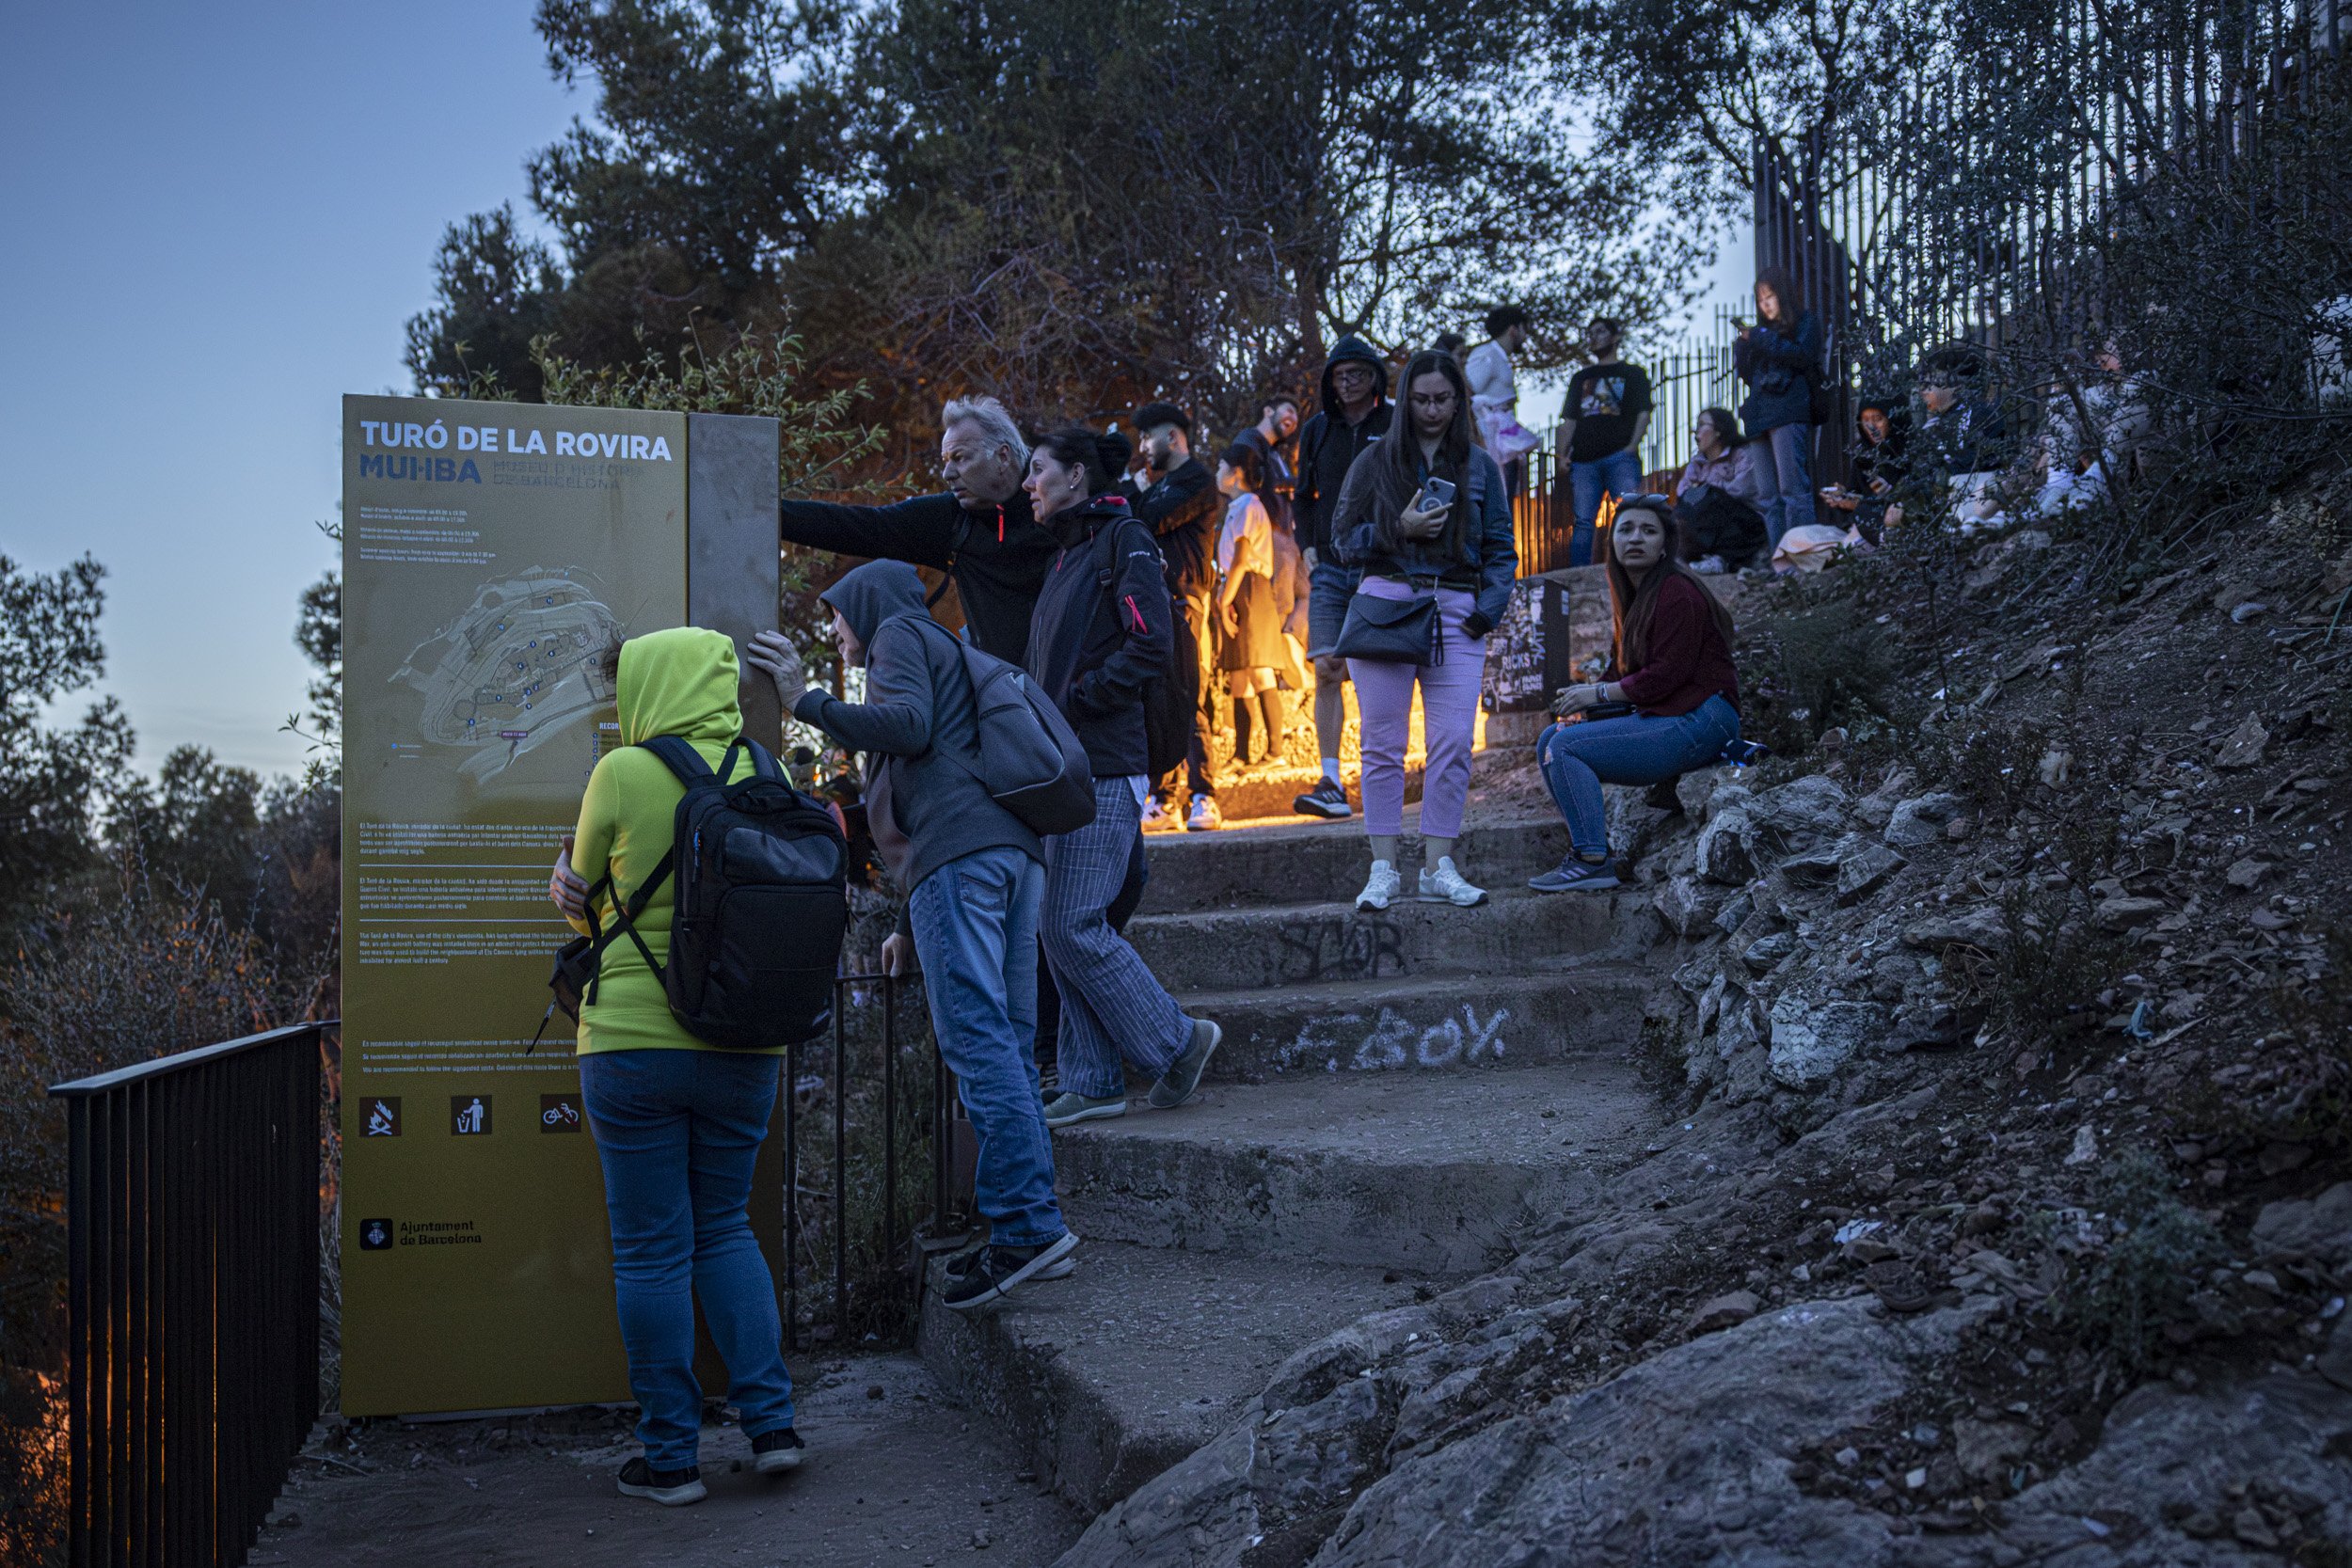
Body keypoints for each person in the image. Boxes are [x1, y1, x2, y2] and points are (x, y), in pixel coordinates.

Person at [743, 564, 1077, 1314]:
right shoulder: (936, 644)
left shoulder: (897, 633)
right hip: (1011, 859)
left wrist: (806, 700)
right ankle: (1032, 1223)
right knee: (1010, 1041)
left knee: (978, 1040)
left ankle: (1025, 1227)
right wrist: (904, 920)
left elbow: (910, 728)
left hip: (963, 861)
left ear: (865, 607)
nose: (833, 632)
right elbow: (937, 766)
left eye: (836, 617)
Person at [545, 627, 805, 1506]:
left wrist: (561, 885)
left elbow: (585, 909)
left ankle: (671, 1458)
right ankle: (772, 1425)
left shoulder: (619, 774)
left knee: (652, 1249)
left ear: (648, 687)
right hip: (744, 1044)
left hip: (631, 1047)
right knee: (726, 1228)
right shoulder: (766, 773)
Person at [1022, 427, 1225, 1128]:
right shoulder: (1068, 555)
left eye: (1037, 472)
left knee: (1071, 922)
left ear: (1077, 476)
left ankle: (1178, 1040)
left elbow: (1151, 642)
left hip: (1105, 761)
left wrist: (1079, 700)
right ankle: (1092, 1078)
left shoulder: (1124, 539)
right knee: (1060, 923)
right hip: (1067, 765)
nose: (1028, 485)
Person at [1327, 350, 1517, 911]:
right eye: (1422, 399)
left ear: (1458, 402)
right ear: (1405, 400)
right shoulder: (1373, 461)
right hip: (1386, 604)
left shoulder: (1480, 466)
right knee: (1382, 745)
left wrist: (1488, 610)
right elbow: (1342, 540)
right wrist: (1398, 528)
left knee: (1453, 743)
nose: (1432, 409)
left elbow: (1502, 549)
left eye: (1443, 399)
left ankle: (1438, 867)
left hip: (1459, 610)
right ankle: (1383, 867)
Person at [1533, 499, 1741, 893]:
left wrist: (1595, 693)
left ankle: (1592, 861)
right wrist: (1586, 713)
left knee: (1565, 748)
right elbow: (1623, 672)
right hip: (1672, 713)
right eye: (1625, 530)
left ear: (1665, 545)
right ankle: (1589, 851)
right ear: (1611, 542)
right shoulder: (1634, 597)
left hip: (1704, 717)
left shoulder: (1677, 592)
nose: (1635, 538)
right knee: (1552, 738)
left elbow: (1667, 675)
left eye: (1648, 531)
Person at [775, 395, 1053, 666]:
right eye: (945, 460)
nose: (948, 474)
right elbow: (861, 526)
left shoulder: (1060, 499)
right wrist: (767, 515)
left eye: (960, 457)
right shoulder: (952, 520)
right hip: (1012, 700)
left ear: (1003, 456)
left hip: (1077, 698)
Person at [1291, 338, 1394, 821]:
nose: (1347, 382)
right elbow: (1303, 495)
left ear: (1374, 376)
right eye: (1339, 374)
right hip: (1329, 566)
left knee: (1379, 670)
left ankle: (1379, 777)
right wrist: (1307, 545)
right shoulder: (1317, 430)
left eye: (1356, 372)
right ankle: (1330, 780)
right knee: (1328, 668)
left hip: (1382, 563)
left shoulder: (1395, 423)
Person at [1121, 403, 1225, 832]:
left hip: (1186, 602)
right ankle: (1163, 799)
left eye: (1147, 437)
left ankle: (1204, 796)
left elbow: (1147, 518)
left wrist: (1135, 490)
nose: (1143, 447)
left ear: (1172, 437)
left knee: (1192, 696)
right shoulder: (1162, 485)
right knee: (1160, 698)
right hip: (1157, 602)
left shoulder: (1196, 480)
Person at [1733, 267, 1825, 546]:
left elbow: (1802, 356)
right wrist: (1743, 348)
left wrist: (1759, 338)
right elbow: (1748, 376)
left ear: (1782, 295)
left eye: (1770, 296)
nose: (1765, 304)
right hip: (1759, 415)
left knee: (1792, 490)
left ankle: (1801, 555)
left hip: (1788, 409)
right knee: (1768, 497)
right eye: (1761, 299)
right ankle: (1779, 561)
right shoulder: (1759, 334)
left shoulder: (1805, 322)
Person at [1215, 441, 1288, 768]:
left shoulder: (1247, 505)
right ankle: (1242, 753)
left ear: (1235, 473)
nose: (1216, 474)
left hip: (1249, 588)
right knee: (1239, 673)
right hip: (1236, 587)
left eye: (1220, 467)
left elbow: (1243, 558)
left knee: (1258, 668)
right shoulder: (1238, 507)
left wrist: (1224, 600)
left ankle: (1275, 752)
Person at [1558, 318, 1656, 566]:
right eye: (1590, 333)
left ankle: (1633, 566)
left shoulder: (1632, 374)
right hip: (1583, 461)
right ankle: (1578, 575)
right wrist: (1562, 455)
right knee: (1582, 521)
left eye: (1600, 331)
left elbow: (1643, 413)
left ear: (1615, 337)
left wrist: (1631, 447)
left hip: (1619, 456)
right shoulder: (1581, 378)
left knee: (1630, 513)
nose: (1593, 337)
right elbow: (1569, 419)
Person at [1916, 362, 2010, 530]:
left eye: (1931, 384)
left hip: (1976, 486)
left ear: (1955, 387)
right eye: (1923, 386)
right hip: (1949, 495)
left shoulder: (1979, 413)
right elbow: (1925, 471)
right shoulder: (1932, 426)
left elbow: (1986, 457)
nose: (1924, 392)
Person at [1673, 407, 1768, 570]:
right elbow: (1683, 492)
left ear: (1718, 431)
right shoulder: (1697, 463)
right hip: (1706, 523)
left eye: (1702, 425)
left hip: (1744, 523)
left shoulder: (1741, 455)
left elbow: (1742, 489)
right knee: (1681, 510)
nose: (1696, 431)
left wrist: (1708, 489)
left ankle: (1724, 560)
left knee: (1711, 497)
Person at [1466, 306, 1535, 497]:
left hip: (1503, 443)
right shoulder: (1487, 354)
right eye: (1523, 329)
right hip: (1490, 443)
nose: (1525, 335)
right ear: (1514, 330)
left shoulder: (1497, 356)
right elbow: (1470, 388)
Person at [1820, 396, 1909, 543]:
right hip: (1863, 525)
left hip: (1889, 524)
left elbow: (1899, 497)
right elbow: (1856, 494)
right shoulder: (1863, 453)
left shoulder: (1905, 450)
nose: (1871, 426)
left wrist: (1860, 505)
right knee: (1795, 537)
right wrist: (1842, 498)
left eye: (1878, 419)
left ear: (1891, 419)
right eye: (1866, 420)